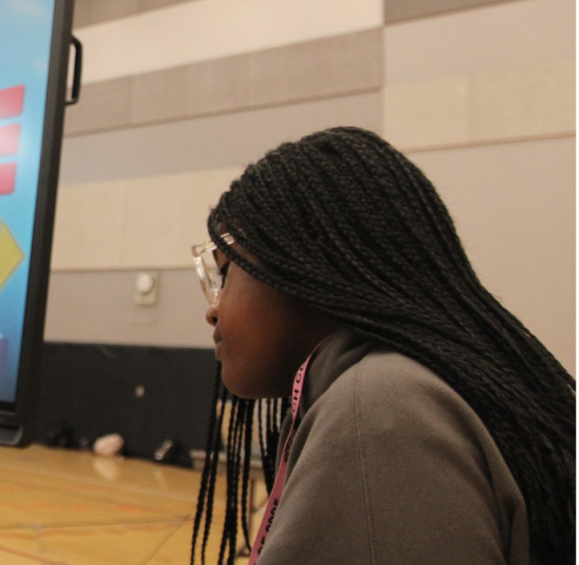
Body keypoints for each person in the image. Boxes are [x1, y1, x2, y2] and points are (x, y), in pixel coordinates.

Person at [188, 127, 574, 565]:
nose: (212, 312)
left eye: (226, 272)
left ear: (307, 269)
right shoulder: (404, 389)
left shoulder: (375, 411)